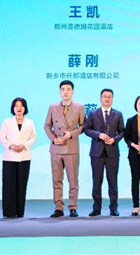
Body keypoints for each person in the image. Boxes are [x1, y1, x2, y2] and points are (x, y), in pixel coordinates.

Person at [44, 80, 85, 218]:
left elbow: (83, 127)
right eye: (63, 89)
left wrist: (70, 134)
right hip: (56, 148)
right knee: (57, 179)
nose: (65, 92)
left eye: (68, 89)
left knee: (73, 180)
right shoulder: (53, 107)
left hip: (71, 147)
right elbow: (47, 125)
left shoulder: (79, 107)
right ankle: (58, 207)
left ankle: (73, 207)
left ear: (73, 91)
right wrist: (53, 138)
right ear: (59, 91)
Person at [84, 88, 125, 217]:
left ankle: (113, 208)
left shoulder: (118, 114)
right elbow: (86, 129)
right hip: (97, 153)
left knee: (113, 182)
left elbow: (122, 132)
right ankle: (96, 208)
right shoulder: (93, 113)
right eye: (104, 96)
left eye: (109, 97)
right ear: (100, 99)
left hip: (112, 152)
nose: (107, 99)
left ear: (112, 99)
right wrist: (99, 135)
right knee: (97, 182)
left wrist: (114, 139)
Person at [0, 97, 36, 218]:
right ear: (13, 108)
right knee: (9, 184)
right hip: (10, 156)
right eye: (16, 106)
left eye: (21, 105)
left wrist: (24, 145)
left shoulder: (30, 122)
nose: (19, 108)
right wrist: (11, 145)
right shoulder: (7, 122)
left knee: (22, 184)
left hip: (24, 156)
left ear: (25, 108)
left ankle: (20, 212)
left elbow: (33, 137)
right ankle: (9, 212)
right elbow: (1, 136)